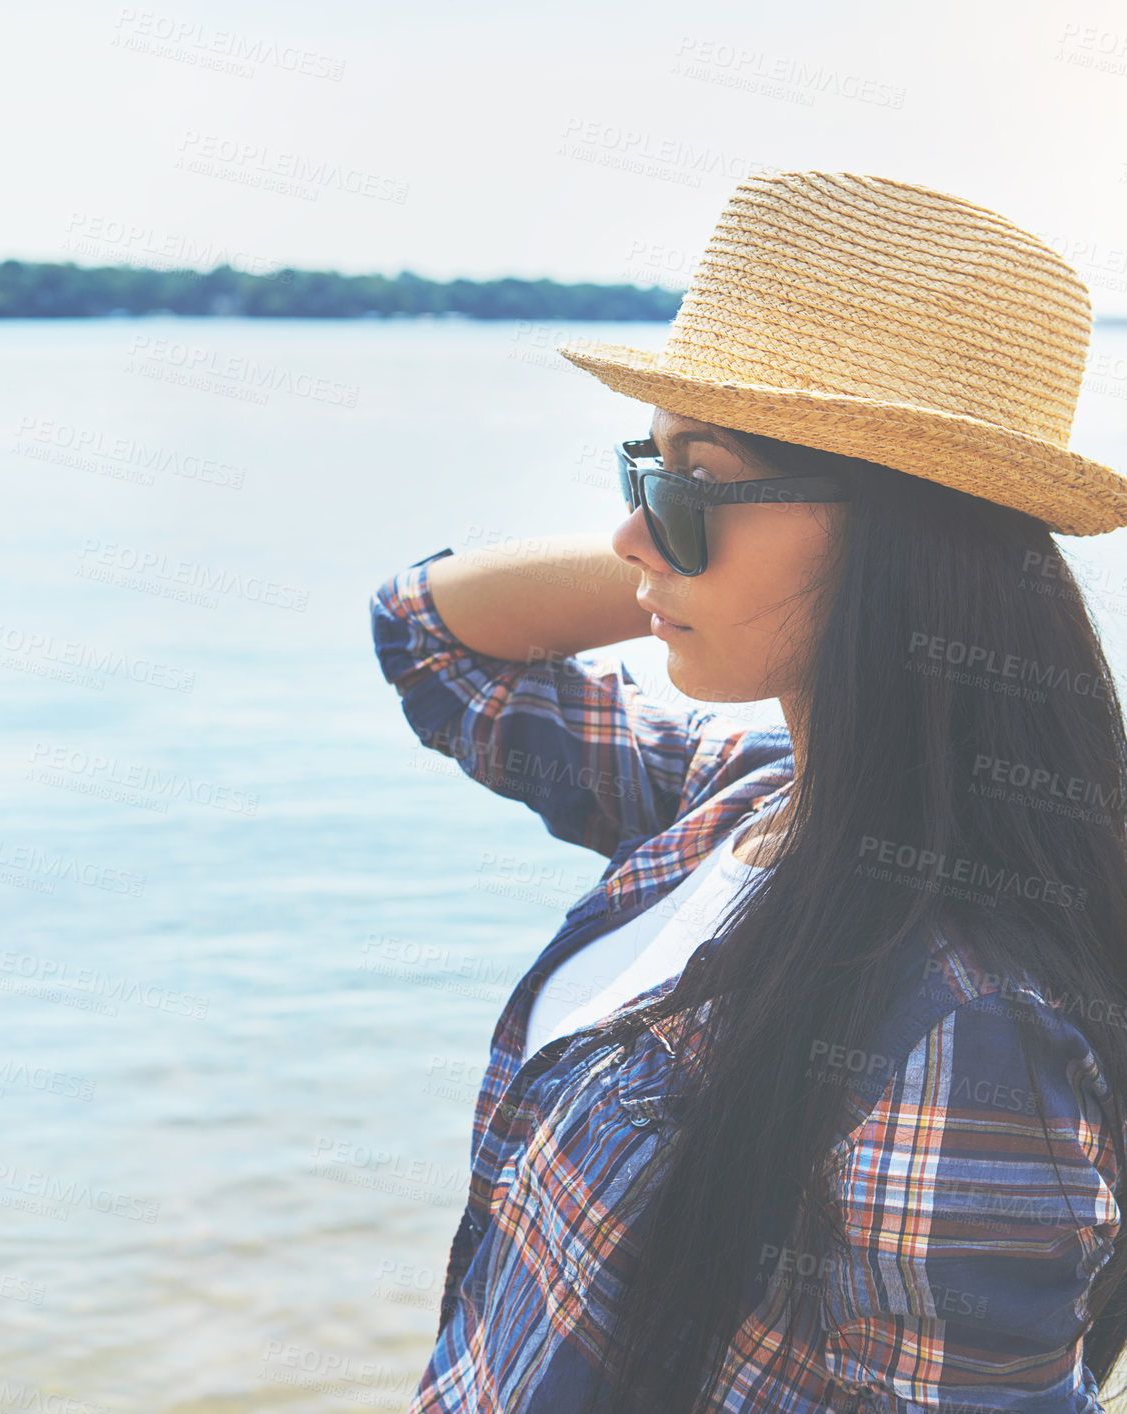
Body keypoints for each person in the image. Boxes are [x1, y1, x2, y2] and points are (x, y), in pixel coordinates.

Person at [368, 170, 1127, 1414]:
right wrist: (692, 561)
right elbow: (429, 639)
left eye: (687, 483)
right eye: (637, 473)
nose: (625, 534)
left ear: (899, 542)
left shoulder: (961, 1028)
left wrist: (731, 562)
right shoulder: (740, 798)